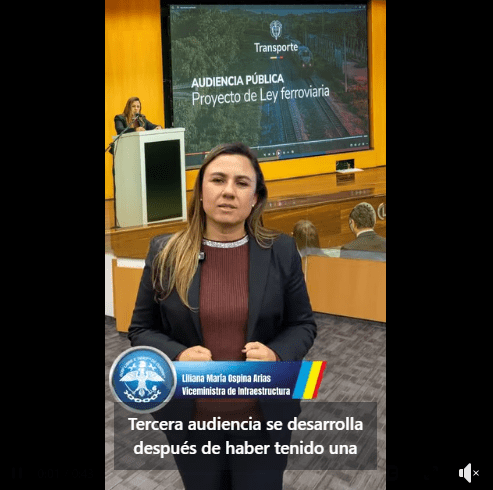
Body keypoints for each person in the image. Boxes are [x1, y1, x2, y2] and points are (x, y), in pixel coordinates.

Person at [128, 142, 317, 489]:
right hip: (191, 424)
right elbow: (140, 330)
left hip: (263, 422)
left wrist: (277, 355)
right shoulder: (165, 252)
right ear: (201, 192)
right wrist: (178, 356)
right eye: (218, 180)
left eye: (241, 183)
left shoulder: (281, 250)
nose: (229, 191)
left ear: (255, 198)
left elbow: (303, 324)